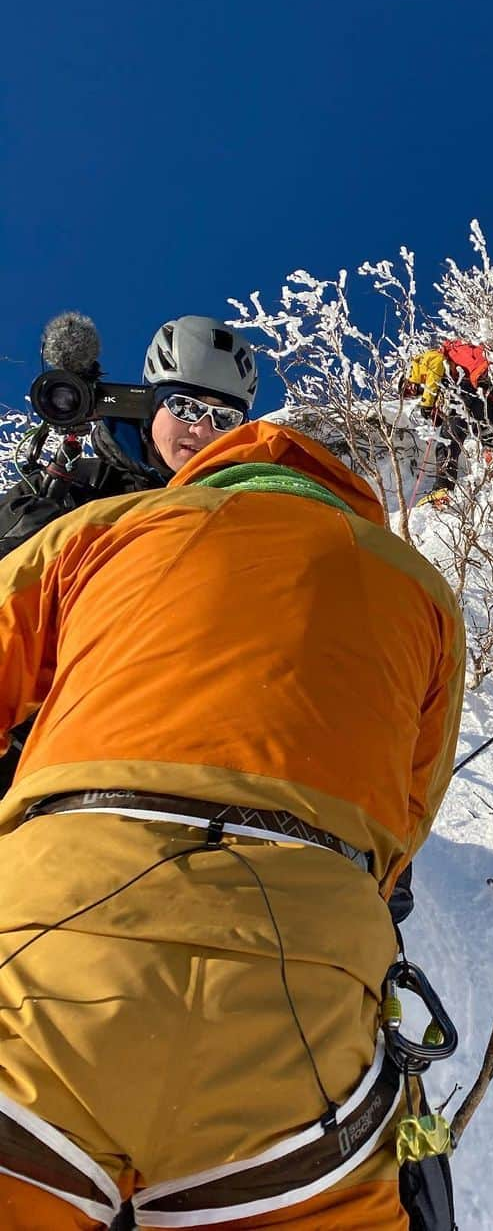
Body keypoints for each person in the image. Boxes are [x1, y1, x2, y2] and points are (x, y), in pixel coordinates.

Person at [0, 418, 465, 1230]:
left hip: (51, 945)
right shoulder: (419, 588)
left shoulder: (106, 529)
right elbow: (407, 815)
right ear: (353, 493)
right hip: (304, 1008)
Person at [0, 315, 258, 790]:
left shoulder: (242, 514)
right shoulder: (70, 486)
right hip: (35, 730)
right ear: (148, 404)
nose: (201, 429)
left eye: (224, 417)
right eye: (183, 406)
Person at [403, 339, 493, 507]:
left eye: (410, 389)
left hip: (467, 386)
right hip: (478, 385)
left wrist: (427, 403)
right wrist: (436, 410)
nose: (414, 392)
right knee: (483, 421)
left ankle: (443, 488)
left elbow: (436, 364)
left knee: (448, 439)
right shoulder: (451, 369)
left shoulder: (422, 361)